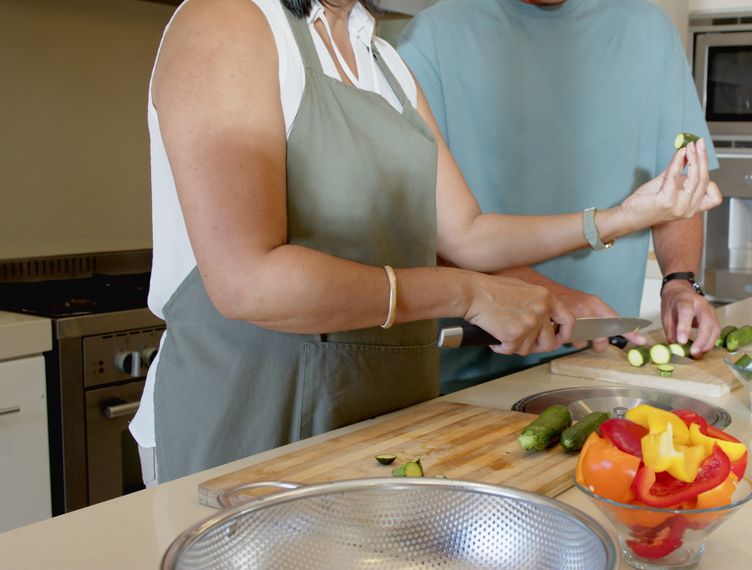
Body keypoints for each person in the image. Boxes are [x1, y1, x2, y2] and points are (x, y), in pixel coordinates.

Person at [130, 0, 721, 484]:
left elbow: (466, 233)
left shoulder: (383, 59)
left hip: (378, 424)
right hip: (248, 428)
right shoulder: (226, 21)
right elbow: (247, 283)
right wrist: (466, 294)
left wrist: (621, 216)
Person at [397, 0, 724, 393]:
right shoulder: (430, 36)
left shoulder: (649, 29)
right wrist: (549, 295)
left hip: (600, 359)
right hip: (471, 370)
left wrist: (679, 282)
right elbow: (422, 223)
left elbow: (679, 186)